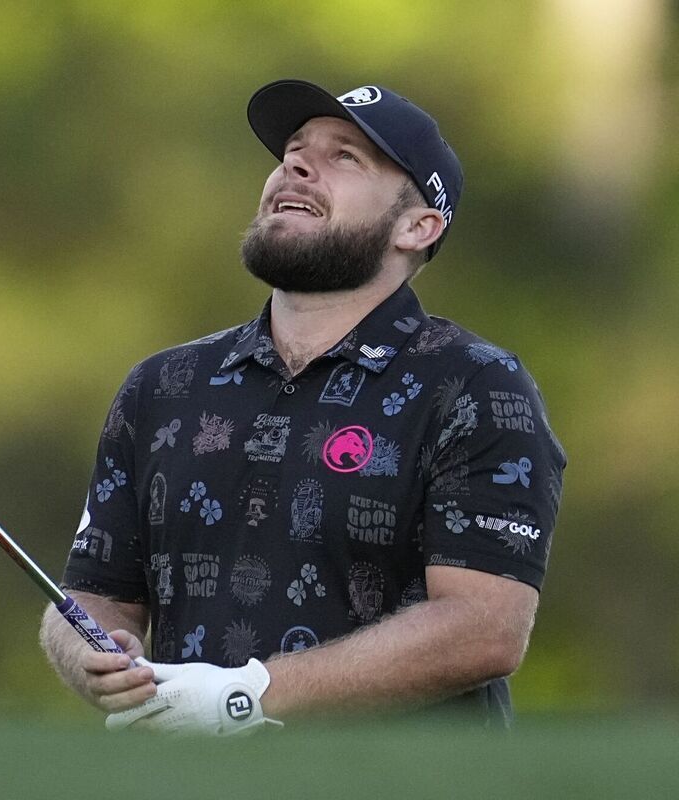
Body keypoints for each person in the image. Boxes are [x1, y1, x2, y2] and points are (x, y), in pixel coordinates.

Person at [39, 79, 566, 734]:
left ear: (417, 225)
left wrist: (247, 696)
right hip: (195, 778)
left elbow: (483, 630)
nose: (296, 165)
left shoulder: (475, 386)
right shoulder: (161, 386)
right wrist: (93, 653)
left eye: (345, 156)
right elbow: (92, 594)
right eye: (294, 150)